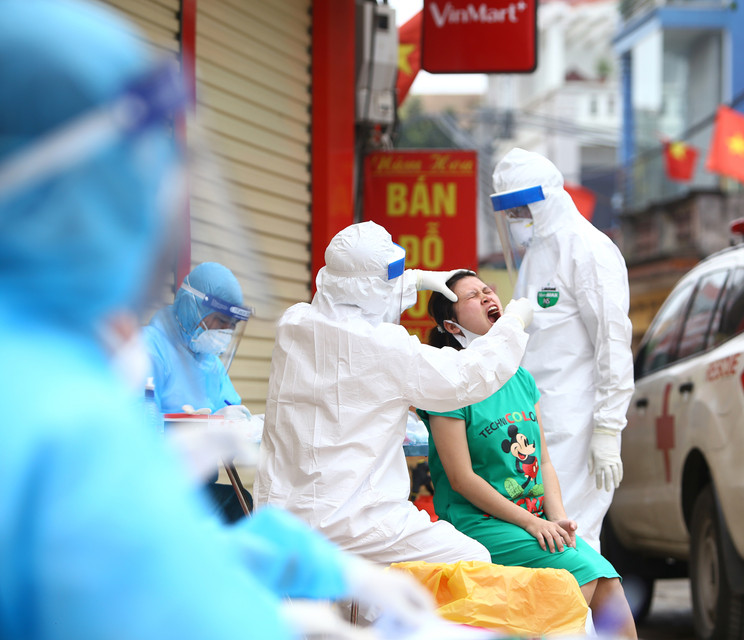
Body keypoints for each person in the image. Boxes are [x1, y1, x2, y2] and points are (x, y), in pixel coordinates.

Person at [0, 2, 432, 638]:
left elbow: (142, 549)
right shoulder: (61, 409)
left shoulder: (46, 368)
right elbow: (161, 599)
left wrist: (310, 565)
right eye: (137, 181)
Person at [254, 221, 535, 565]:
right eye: (392, 273)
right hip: (353, 519)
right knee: (470, 559)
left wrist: (415, 279)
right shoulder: (384, 347)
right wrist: (513, 325)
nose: (486, 297)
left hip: (281, 513)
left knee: (362, 601)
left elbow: (359, 295)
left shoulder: (295, 323)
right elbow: (466, 376)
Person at [417, 271, 637, 639]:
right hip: (480, 520)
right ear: (452, 326)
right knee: (575, 585)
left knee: (608, 580)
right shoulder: (448, 381)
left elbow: (544, 462)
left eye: (488, 289)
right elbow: (461, 478)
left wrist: (558, 518)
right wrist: (532, 523)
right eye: (473, 295)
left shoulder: (519, 377)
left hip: (533, 518)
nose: (488, 296)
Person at [491, 148, 634, 552]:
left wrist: (608, 427)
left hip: (577, 423)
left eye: (522, 208)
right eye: (511, 211)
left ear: (546, 199)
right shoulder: (537, 254)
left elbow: (613, 343)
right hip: (536, 424)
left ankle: (590, 618)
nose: (518, 219)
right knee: (547, 542)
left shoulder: (589, 249)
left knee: (574, 537)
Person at [143, 261, 254, 522]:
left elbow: (231, 408)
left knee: (240, 504)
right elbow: (136, 427)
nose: (225, 332)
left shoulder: (210, 362)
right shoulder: (149, 348)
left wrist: (232, 423)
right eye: (221, 321)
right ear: (194, 307)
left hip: (198, 487)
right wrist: (181, 430)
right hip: (153, 490)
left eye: (232, 325)